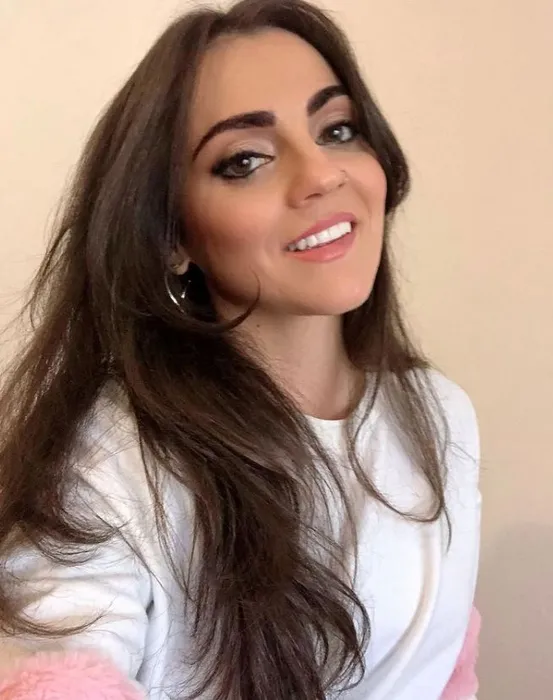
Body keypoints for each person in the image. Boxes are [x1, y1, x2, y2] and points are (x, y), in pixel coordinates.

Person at [0, 0, 481, 698]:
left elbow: (442, 665)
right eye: (245, 161)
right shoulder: (108, 462)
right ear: (172, 236)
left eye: (337, 129)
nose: (321, 175)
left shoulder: (440, 416)